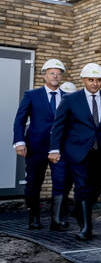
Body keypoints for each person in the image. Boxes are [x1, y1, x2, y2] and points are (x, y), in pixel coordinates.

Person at [49, 63, 101, 240]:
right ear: (83, 80)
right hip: (77, 152)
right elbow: (58, 126)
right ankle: (86, 227)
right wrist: (54, 148)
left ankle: (79, 212)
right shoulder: (71, 100)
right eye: (91, 80)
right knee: (82, 187)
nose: (95, 83)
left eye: (98, 80)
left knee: (98, 185)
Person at [13, 59, 72, 230]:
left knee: (61, 182)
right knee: (34, 182)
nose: (55, 76)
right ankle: (34, 218)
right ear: (44, 75)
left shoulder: (68, 97)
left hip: (60, 149)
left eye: (59, 73)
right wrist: (19, 141)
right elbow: (20, 120)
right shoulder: (31, 95)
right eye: (52, 73)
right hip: (36, 147)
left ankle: (57, 220)